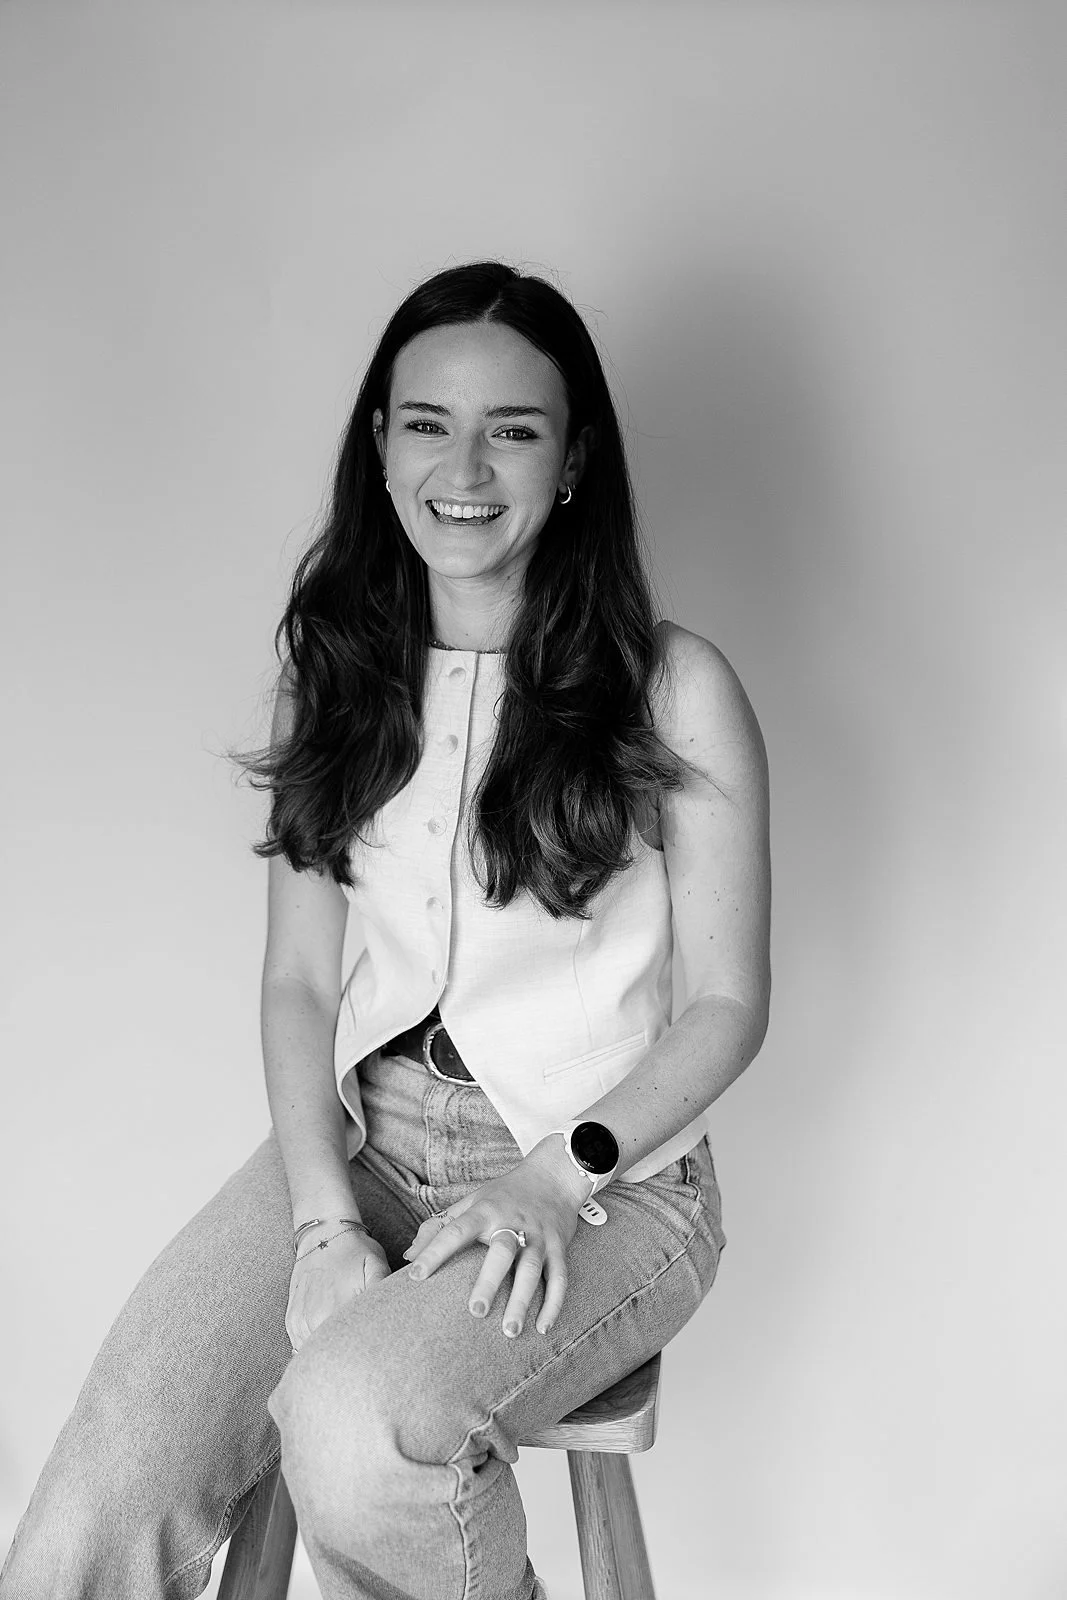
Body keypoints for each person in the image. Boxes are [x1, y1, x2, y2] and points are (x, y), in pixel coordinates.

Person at [1, 261, 771, 1600]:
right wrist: (317, 1224)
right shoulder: (338, 668)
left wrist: (552, 1175)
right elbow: (300, 982)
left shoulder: (673, 686)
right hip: (363, 1147)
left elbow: (725, 1005)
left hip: (610, 1182)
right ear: (379, 444)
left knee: (354, 1432)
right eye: (426, 422)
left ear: (573, 458)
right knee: (109, 1480)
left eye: (512, 429)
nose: (462, 465)